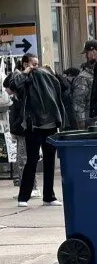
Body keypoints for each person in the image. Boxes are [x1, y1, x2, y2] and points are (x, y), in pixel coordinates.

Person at [13, 58, 66, 207]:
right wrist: (25, 73)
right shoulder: (25, 78)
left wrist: (54, 73)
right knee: (32, 160)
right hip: (33, 126)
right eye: (33, 64)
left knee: (49, 161)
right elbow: (14, 85)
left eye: (37, 64)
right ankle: (23, 196)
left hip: (49, 125)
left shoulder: (46, 76)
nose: (36, 67)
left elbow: (64, 88)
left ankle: (49, 196)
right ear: (25, 64)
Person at [6, 55, 40, 195]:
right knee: (24, 158)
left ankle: (31, 187)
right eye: (34, 64)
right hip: (21, 127)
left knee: (24, 159)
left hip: (24, 127)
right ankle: (28, 187)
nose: (36, 67)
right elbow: (10, 84)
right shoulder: (21, 83)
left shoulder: (29, 81)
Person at [71, 56, 95, 130]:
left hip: (95, 117)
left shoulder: (96, 75)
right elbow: (78, 102)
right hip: (88, 119)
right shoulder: (83, 78)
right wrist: (81, 122)